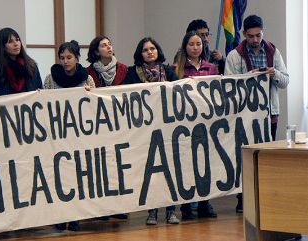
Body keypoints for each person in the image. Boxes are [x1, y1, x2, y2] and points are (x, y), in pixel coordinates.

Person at [224, 14, 289, 213]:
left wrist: (274, 74)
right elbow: (228, 86)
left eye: (258, 35)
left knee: (266, 156)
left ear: (263, 32)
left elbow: (285, 81)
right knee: (244, 156)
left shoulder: (273, 51)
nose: (255, 40)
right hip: (244, 115)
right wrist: (246, 79)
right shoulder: (234, 55)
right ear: (244, 34)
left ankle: (265, 196)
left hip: (270, 114)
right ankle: (243, 198)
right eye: (250, 36)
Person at [123, 37, 180, 225]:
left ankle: (171, 210)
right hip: (145, 131)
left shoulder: (169, 72)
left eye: (153, 48)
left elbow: (181, 92)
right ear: (140, 54)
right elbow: (120, 94)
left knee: (170, 170)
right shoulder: (132, 74)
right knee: (151, 172)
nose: (150, 52)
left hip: (168, 129)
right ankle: (152, 211)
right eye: (146, 49)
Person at [43, 40, 95, 231]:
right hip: (57, 136)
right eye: (62, 58)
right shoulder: (50, 78)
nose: (65, 61)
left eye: (69, 57)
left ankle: (75, 216)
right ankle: (60, 215)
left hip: (79, 135)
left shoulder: (87, 79)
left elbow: (94, 107)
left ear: (77, 58)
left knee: (77, 176)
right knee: (59, 176)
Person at [175, 31, 219, 220]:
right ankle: (186, 205)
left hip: (206, 122)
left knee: (205, 162)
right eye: (191, 44)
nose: (195, 48)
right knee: (187, 163)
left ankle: (204, 202)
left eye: (198, 44)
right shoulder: (177, 69)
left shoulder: (212, 67)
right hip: (186, 122)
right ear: (185, 46)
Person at [86, 35, 129, 220]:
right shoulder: (88, 72)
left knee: (117, 165)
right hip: (98, 125)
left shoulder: (124, 69)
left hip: (120, 123)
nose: (108, 47)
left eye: (110, 44)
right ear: (96, 51)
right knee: (99, 166)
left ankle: (118, 207)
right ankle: (101, 208)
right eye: (104, 45)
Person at [0, 27, 42, 96]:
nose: (16, 44)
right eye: (10, 41)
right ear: (3, 47)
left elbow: (39, 89)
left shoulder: (31, 65)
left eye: (17, 40)